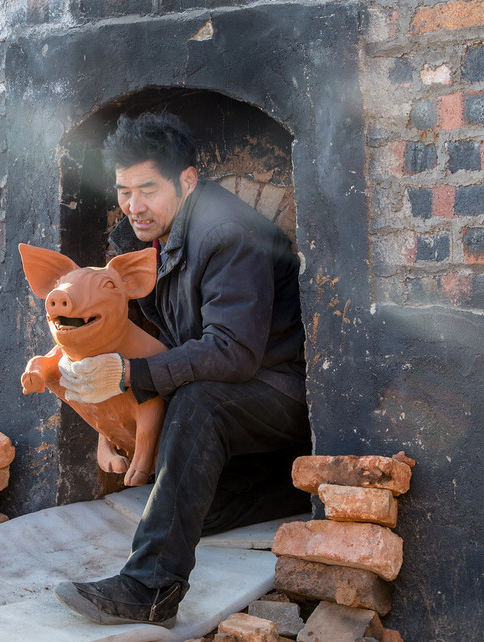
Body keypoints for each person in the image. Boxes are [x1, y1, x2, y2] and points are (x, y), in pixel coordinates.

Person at [54, 112, 312, 628]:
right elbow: (166, 342)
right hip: (237, 393)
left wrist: (131, 374)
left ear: (187, 180)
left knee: (197, 401)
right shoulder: (150, 242)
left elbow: (232, 351)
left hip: (280, 393)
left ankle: (150, 587)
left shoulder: (226, 233)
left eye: (148, 189)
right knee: (193, 507)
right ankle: (294, 485)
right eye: (125, 191)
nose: (134, 206)